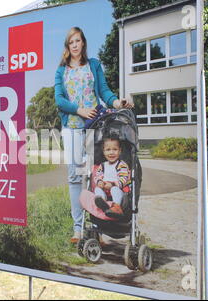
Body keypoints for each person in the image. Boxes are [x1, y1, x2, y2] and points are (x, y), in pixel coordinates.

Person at [54, 26, 134, 243]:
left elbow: (104, 92)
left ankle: (97, 226)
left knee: (96, 175)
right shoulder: (62, 71)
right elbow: (59, 100)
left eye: (78, 41)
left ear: (83, 43)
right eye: (71, 42)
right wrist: (78, 109)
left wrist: (118, 102)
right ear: (67, 46)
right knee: (75, 177)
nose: (75, 45)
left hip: (94, 127)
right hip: (72, 127)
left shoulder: (94, 65)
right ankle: (78, 228)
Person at [93, 137, 131, 218]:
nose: (111, 152)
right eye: (108, 150)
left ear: (120, 151)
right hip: (105, 191)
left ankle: (116, 206)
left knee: (114, 189)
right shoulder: (103, 165)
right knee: (97, 189)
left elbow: (123, 179)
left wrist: (112, 184)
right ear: (103, 152)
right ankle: (102, 202)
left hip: (118, 189)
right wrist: (99, 182)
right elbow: (97, 176)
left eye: (115, 149)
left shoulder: (121, 165)